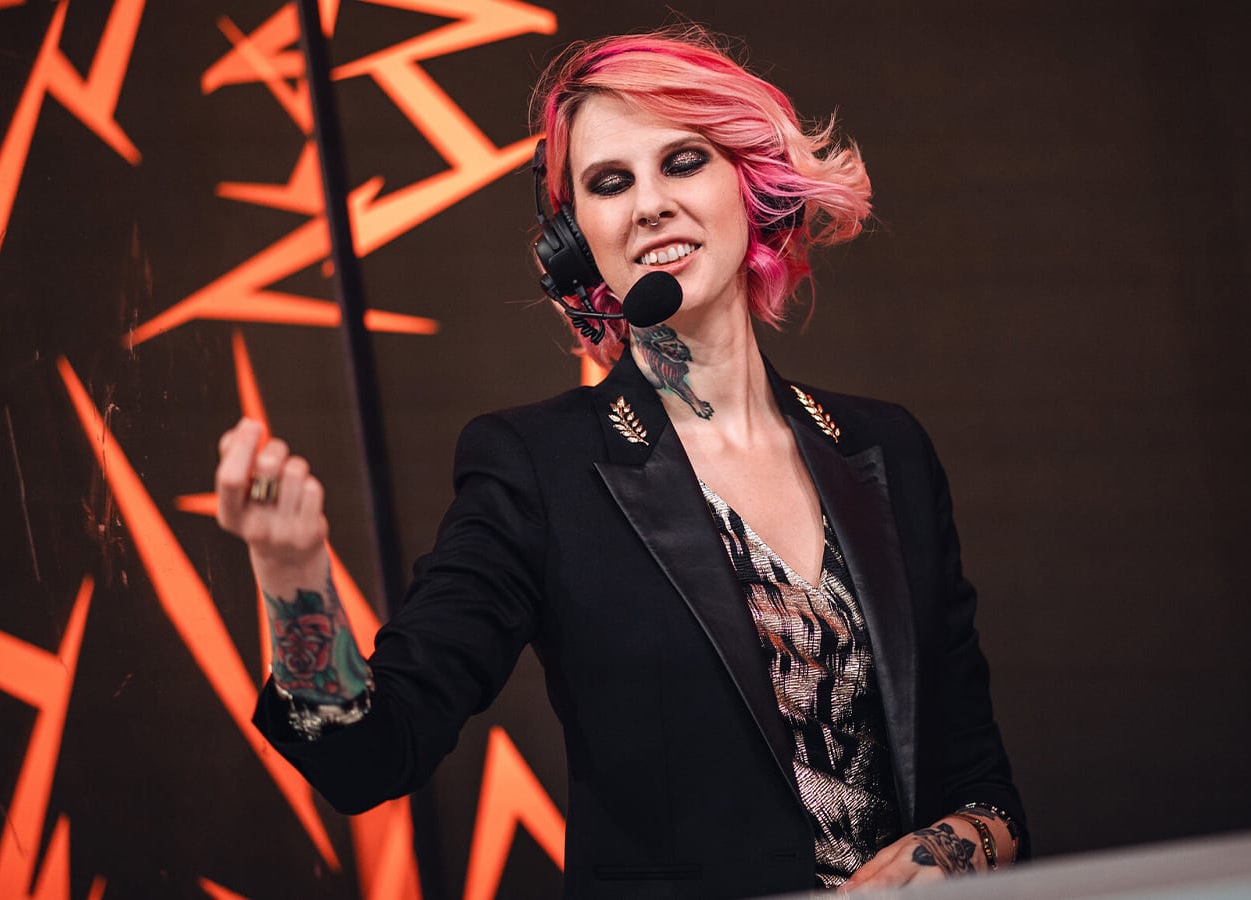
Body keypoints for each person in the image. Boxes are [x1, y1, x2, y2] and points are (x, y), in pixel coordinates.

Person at [218, 28, 1026, 897]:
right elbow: (368, 758)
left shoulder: (886, 447)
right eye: (610, 183)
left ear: (750, 185)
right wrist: (292, 574)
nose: (649, 205)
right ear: (575, 243)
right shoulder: (537, 468)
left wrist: (947, 849)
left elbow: (985, 792)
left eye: (683, 162)